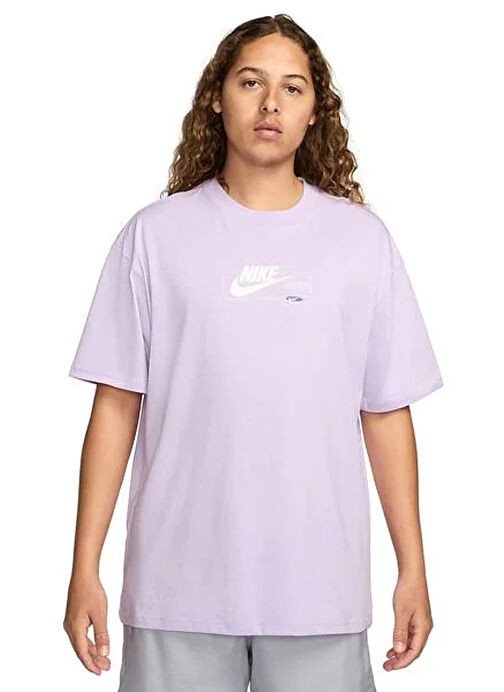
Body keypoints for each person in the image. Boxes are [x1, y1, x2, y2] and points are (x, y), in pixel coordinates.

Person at [63, 14, 443, 692]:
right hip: (178, 589)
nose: (271, 103)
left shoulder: (360, 242)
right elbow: (116, 405)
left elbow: (386, 413)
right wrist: (83, 567)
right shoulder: (155, 237)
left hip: (317, 590)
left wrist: (412, 569)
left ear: (314, 112)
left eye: (292, 88)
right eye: (250, 82)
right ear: (216, 97)